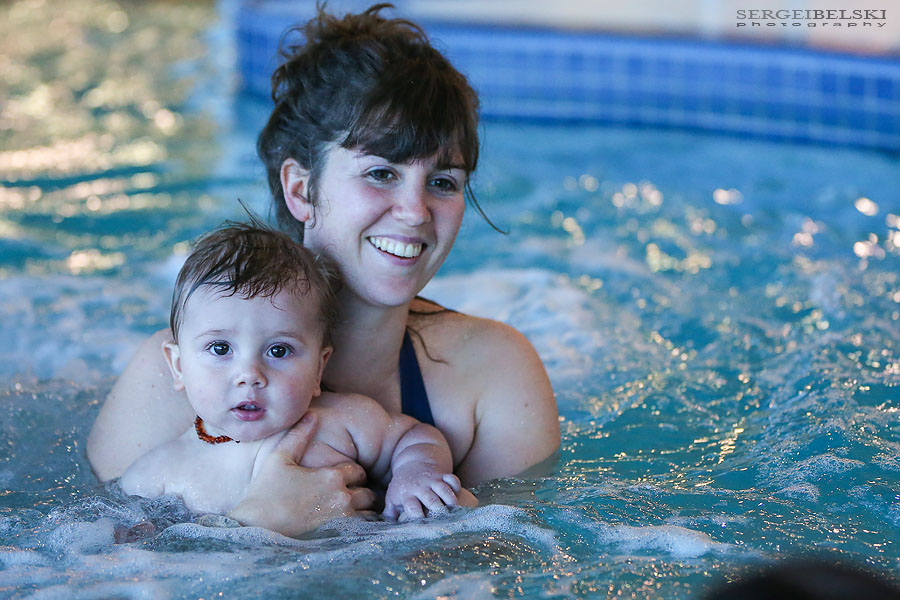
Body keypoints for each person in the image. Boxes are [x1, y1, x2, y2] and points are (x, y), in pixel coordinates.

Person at [87, 3, 559, 536]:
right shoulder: (169, 378)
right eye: (381, 172)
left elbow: (525, 560)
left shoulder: (491, 374)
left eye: (443, 181)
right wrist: (263, 522)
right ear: (300, 188)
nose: (415, 212)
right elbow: (100, 567)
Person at [118, 223, 474, 520]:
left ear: (319, 367)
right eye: (221, 349)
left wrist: (415, 474)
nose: (250, 374)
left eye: (278, 350)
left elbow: (414, 437)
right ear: (179, 367)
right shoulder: (158, 476)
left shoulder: (341, 421)